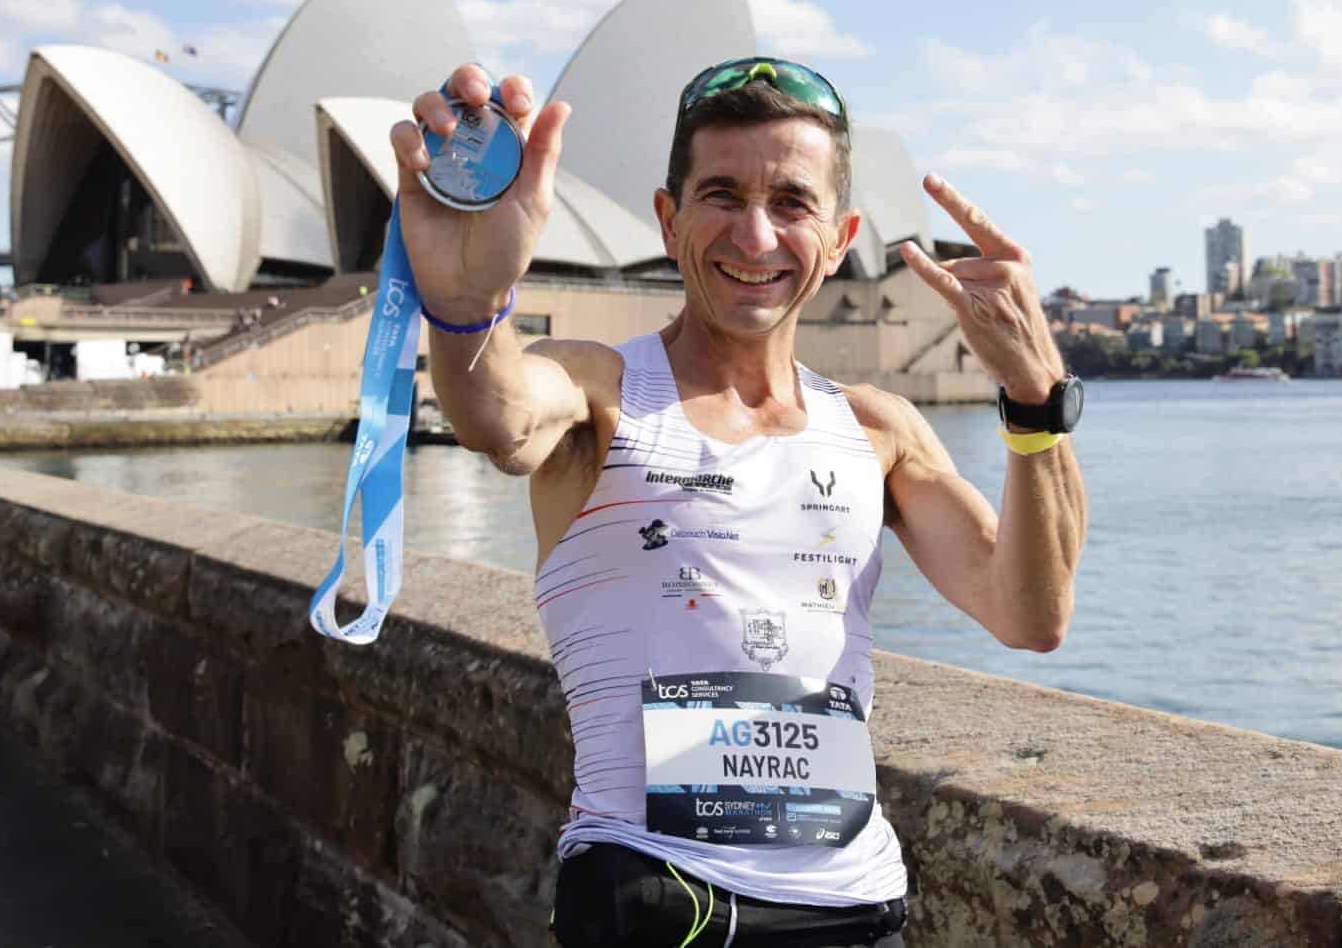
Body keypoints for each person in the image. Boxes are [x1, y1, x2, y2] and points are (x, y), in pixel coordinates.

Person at [391, 59, 1088, 946]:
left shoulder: (878, 429)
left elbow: (1030, 611)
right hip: (655, 893)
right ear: (669, 218)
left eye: (793, 202)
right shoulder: (603, 391)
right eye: (721, 194)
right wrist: (469, 303)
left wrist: (1035, 396)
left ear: (840, 238)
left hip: (858, 906)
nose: (756, 236)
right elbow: (498, 416)